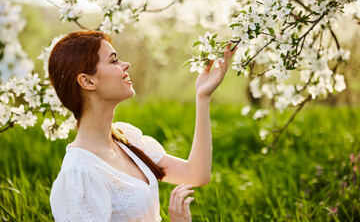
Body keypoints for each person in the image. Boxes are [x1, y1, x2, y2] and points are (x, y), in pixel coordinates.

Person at [48, 30, 236, 222]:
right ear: (88, 81)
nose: (126, 64)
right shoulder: (80, 173)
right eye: (114, 61)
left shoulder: (126, 140)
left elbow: (195, 175)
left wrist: (202, 97)